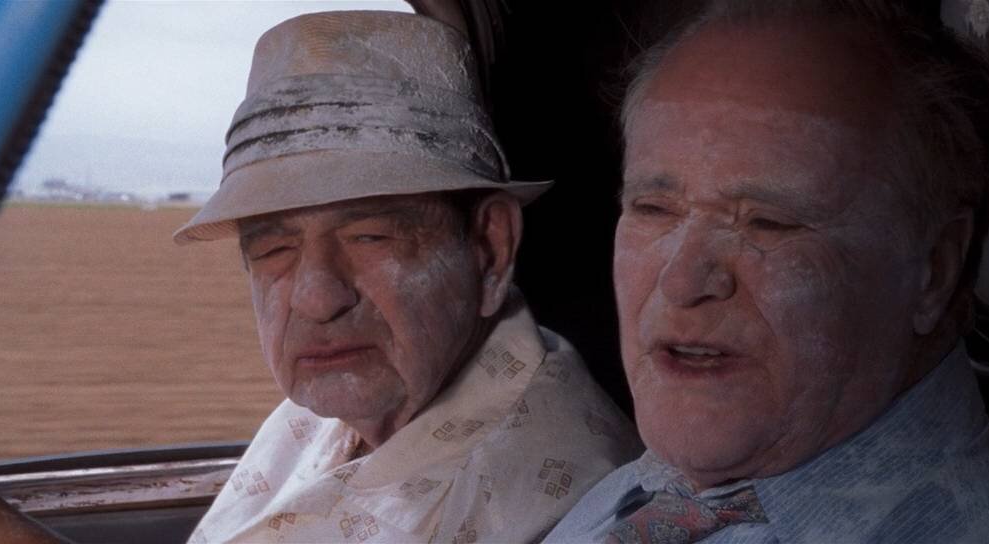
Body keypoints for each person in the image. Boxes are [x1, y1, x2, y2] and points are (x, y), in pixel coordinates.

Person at [546, 1, 989, 542]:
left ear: (933, 271)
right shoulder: (657, 488)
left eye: (767, 222)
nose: (681, 282)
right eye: (653, 209)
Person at [173, 10, 640, 543]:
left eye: (370, 236)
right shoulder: (331, 410)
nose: (316, 298)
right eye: (274, 248)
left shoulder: (550, 507)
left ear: (490, 249)